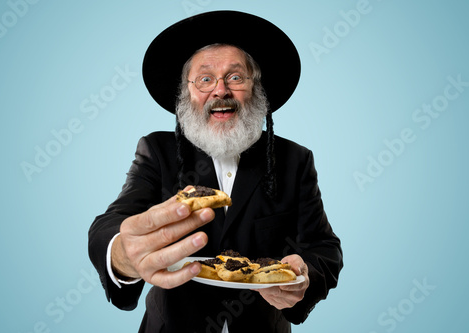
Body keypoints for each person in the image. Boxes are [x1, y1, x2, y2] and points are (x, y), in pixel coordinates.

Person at [88, 10, 343, 332]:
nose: (220, 90)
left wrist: (305, 276)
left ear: (257, 89)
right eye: (205, 79)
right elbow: (112, 221)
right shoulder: (158, 151)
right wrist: (123, 254)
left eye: (235, 77)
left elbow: (324, 247)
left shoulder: (294, 159)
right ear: (187, 93)